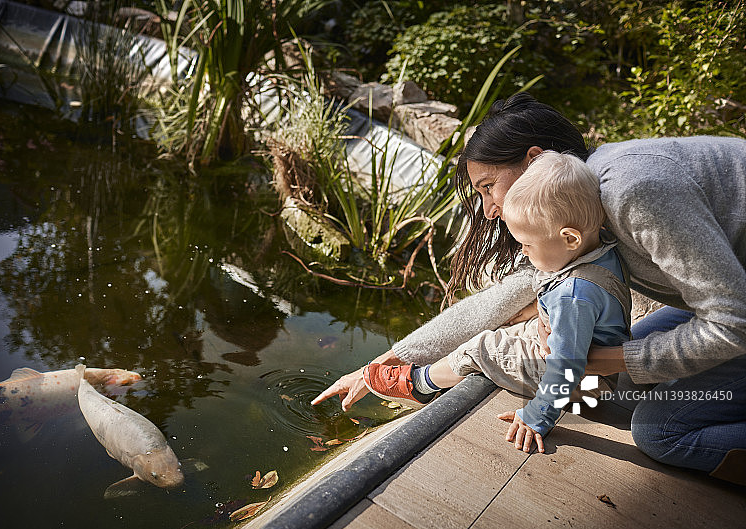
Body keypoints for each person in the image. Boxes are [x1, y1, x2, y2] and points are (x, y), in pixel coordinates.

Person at [312, 92, 746, 484]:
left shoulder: (635, 192)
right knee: (642, 380)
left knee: (658, 431)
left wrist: (603, 360)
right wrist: (382, 364)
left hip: (736, 313)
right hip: (730, 298)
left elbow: (733, 323)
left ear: (534, 160)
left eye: (487, 187)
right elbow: (499, 302)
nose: (487, 210)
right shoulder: (580, 213)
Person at [361, 151, 631, 453]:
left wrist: (537, 416)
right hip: (586, 364)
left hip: (588, 385)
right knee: (509, 333)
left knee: (482, 348)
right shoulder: (598, 252)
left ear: (570, 239)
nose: (525, 253)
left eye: (528, 244)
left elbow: (566, 368)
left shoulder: (574, 294)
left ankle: (419, 385)